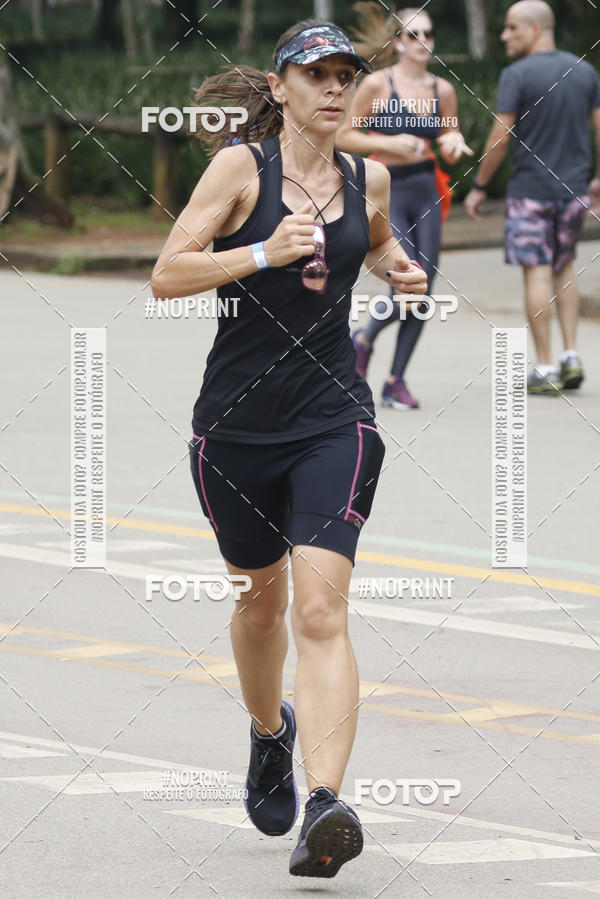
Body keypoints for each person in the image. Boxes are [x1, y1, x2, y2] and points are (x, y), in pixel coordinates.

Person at [151, 20, 426, 878]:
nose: (334, 89)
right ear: (280, 88)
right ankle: (270, 730)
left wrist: (400, 267)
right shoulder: (242, 169)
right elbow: (167, 273)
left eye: (345, 75)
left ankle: (325, 805)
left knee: (318, 612)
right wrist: (261, 251)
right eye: (316, 75)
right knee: (260, 609)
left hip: (333, 419)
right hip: (234, 429)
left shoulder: (368, 176)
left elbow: (375, 242)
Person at [336, 3, 472, 409]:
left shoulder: (442, 90)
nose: (423, 41)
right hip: (387, 190)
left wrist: (453, 142)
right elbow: (343, 136)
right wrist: (389, 143)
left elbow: (449, 136)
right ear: (397, 42)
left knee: (424, 287)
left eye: (428, 34)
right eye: (414, 34)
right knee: (406, 279)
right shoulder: (379, 85)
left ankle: (394, 378)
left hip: (426, 188)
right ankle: (364, 339)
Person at [464, 0, 600, 395]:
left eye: (512, 27)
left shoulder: (517, 74)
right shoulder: (584, 70)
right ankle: (571, 355)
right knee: (564, 268)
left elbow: (499, 137)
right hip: (573, 192)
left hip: (530, 193)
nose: (504, 35)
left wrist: (479, 186)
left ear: (535, 29)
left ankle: (545, 367)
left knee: (538, 273)